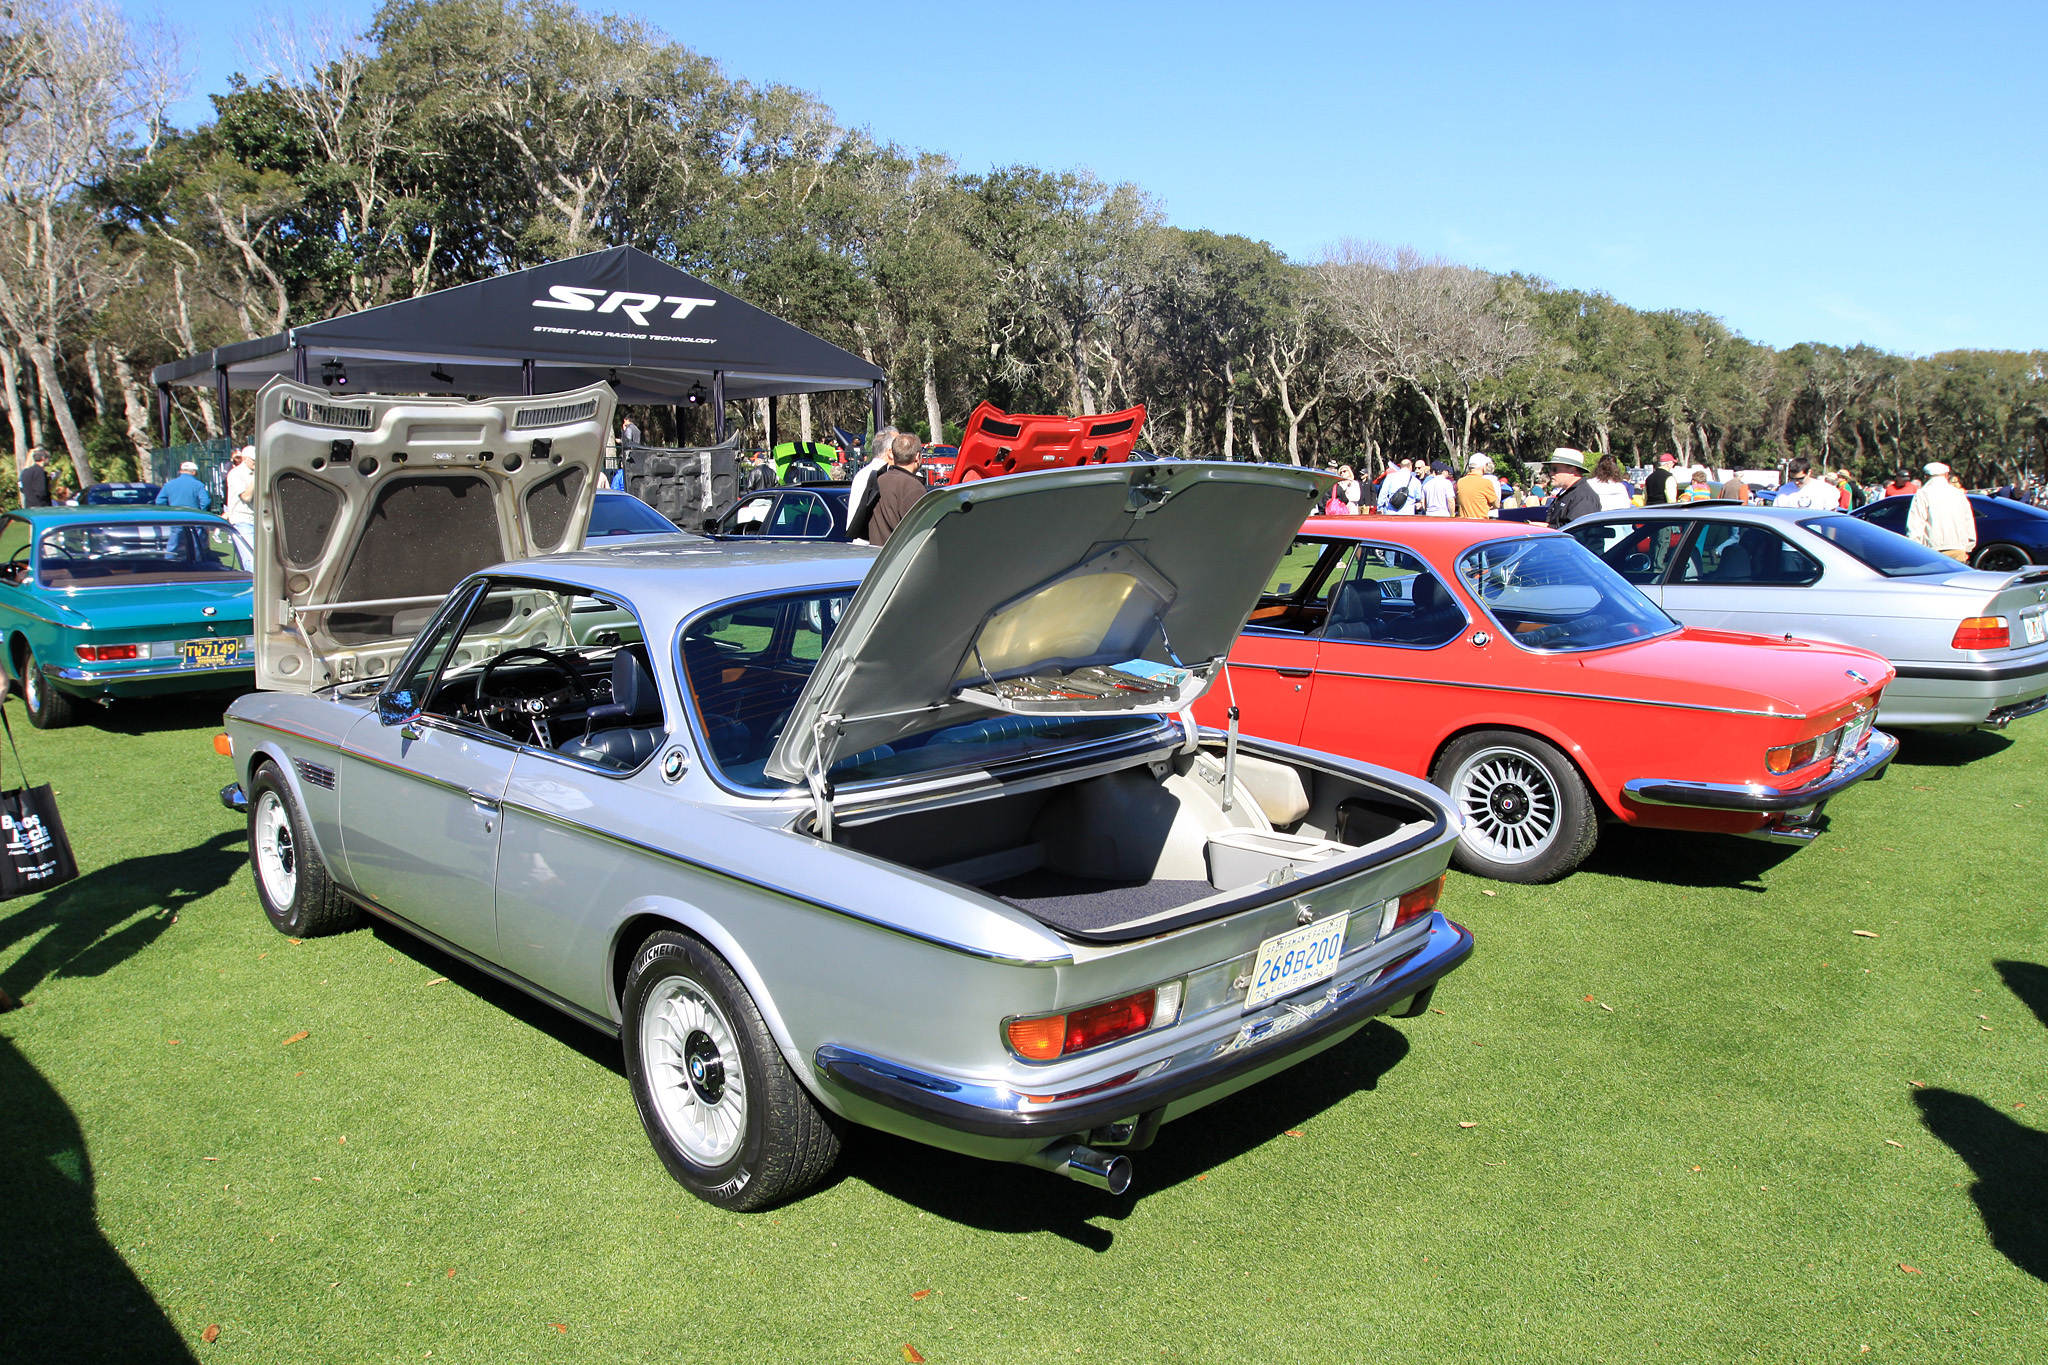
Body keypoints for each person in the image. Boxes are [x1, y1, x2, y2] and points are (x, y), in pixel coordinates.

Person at [865, 433, 928, 548]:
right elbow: (920, 533)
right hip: (900, 560)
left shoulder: (880, 480)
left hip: (877, 557)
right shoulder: (914, 487)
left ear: (893, 455)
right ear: (917, 456)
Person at [1907, 461, 1976, 562]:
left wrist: (1914, 547)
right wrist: (1968, 547)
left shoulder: (1923, 494)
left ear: (1926, 476)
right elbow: (1968, 521)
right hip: (1958, 548)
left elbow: (1915, 523)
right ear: (1946, 475)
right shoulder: (1958, 494)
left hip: (1931, 549)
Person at [1543, 449, 1602, 527]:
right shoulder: (1568, 493)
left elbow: (1576, 530)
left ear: (1572, 471)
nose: (1551, 473)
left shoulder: (1583, 497)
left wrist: (1545, 527)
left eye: (1555, 469)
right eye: (1550, 469)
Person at [1454, 454, 1499, 518]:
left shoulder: (1460, 482)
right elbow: (1497, 505)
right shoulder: (1486, 483)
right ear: (1483, 467)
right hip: (1480, 523)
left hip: (1464, 523)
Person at [224, 446, 256, 530]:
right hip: (243, 520)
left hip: (258, 519)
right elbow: (246, 497)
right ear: (244, 459)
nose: (257, 462)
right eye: (254, 460)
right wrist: (257, 476)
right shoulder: (236, 474)